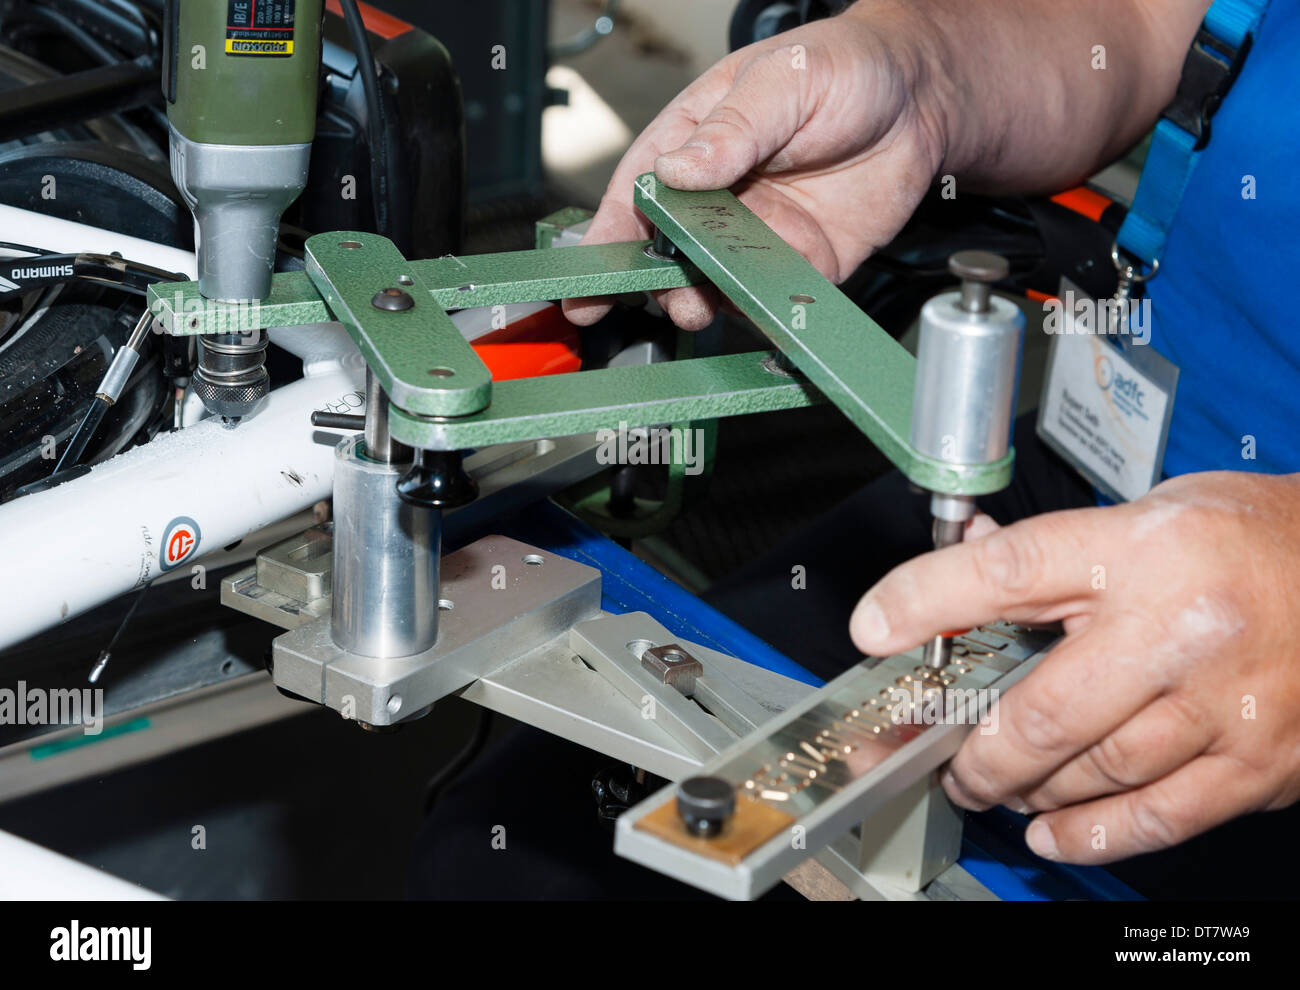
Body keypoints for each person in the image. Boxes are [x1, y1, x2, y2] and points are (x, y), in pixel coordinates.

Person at [559, 0, 1300, 871]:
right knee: (534, 843)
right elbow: (1139, 22)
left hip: (1264, 646)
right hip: (1104, 470)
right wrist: (921, 66)